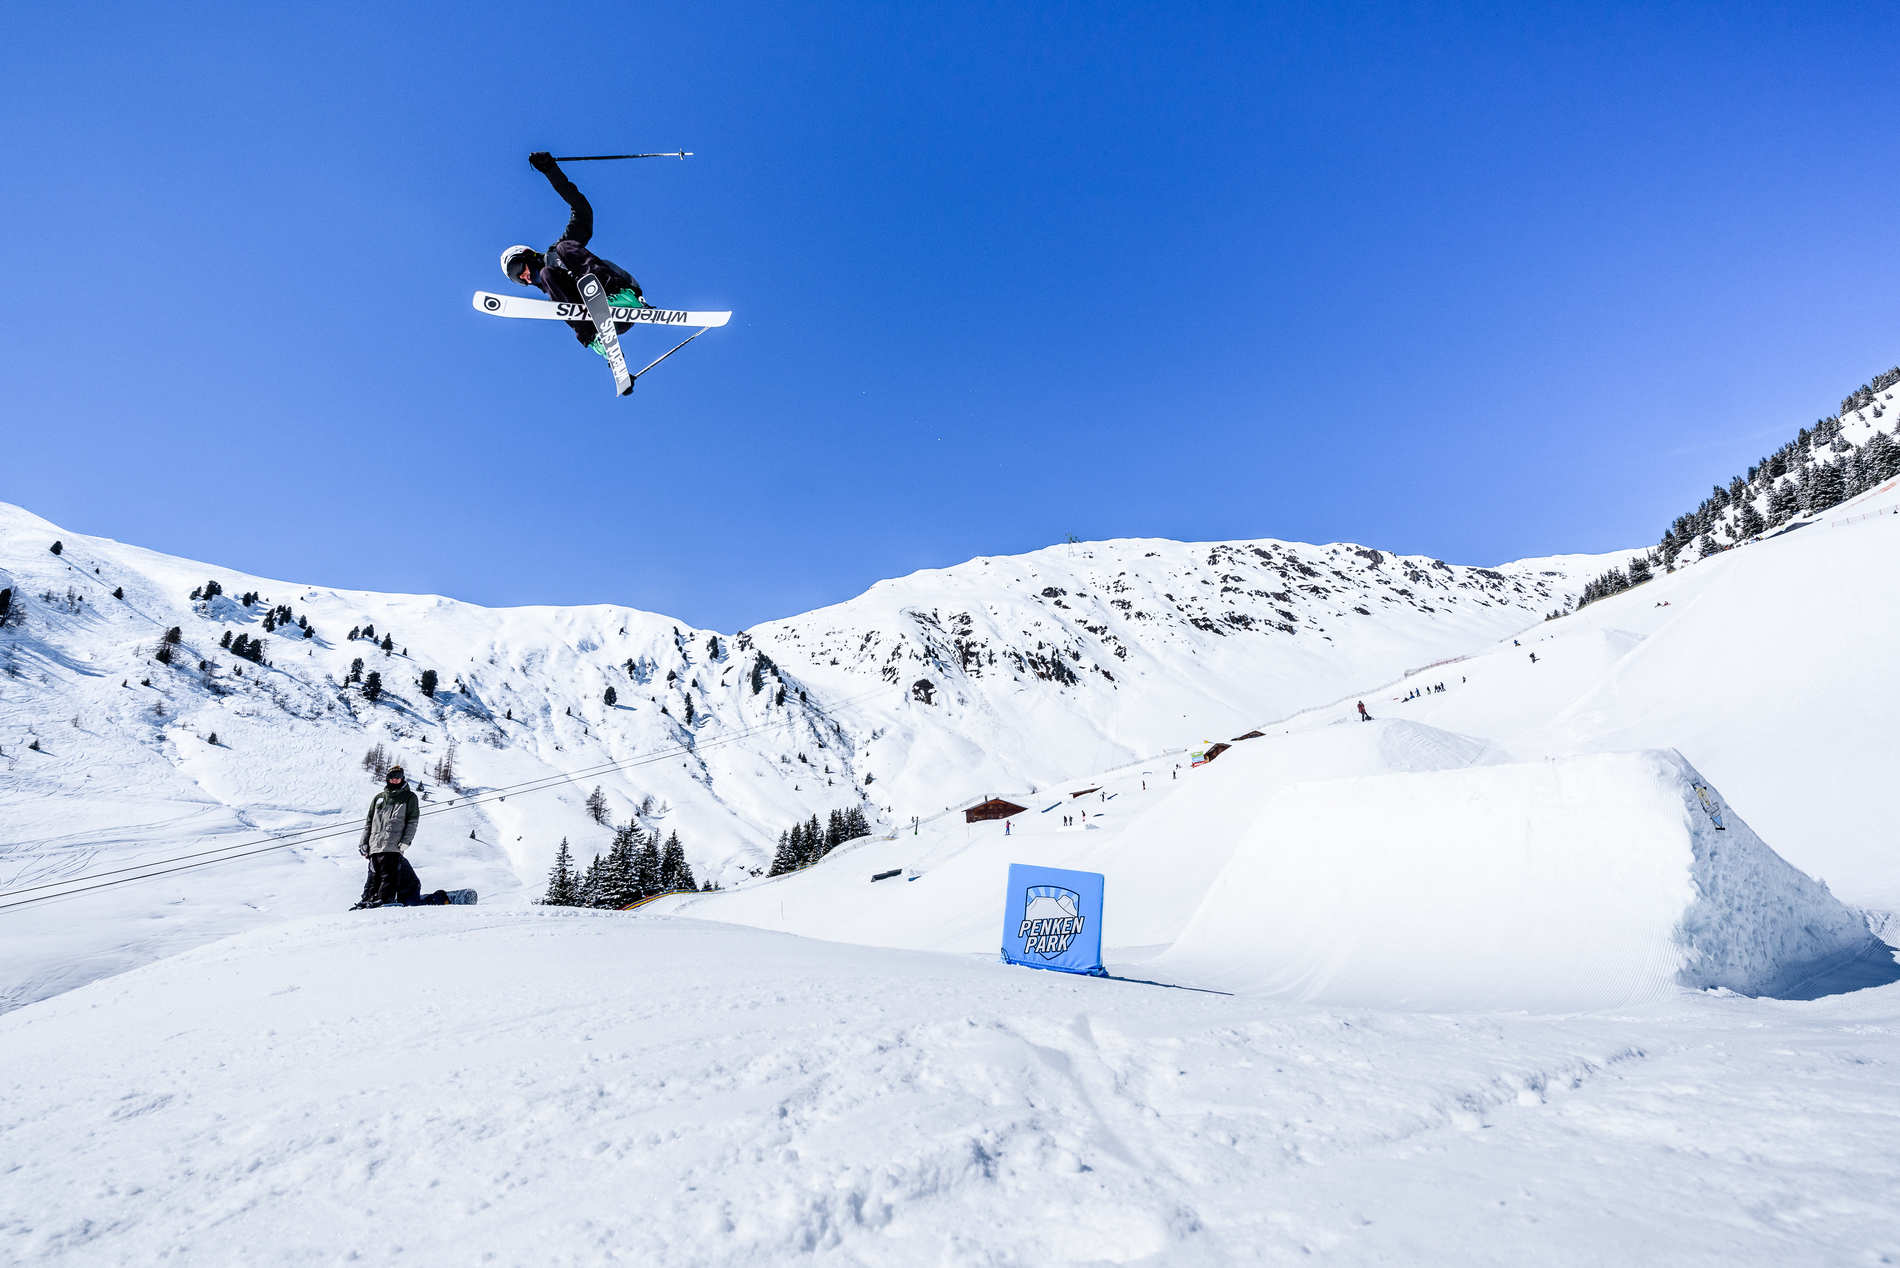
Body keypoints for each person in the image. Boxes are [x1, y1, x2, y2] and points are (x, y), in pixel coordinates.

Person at [500, 152, 647, 360]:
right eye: (518, 280)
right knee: (550, 278)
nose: (523, 277)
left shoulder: (555, 253)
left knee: (564, 249)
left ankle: (620, 296)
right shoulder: (554, 287)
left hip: (620, 296)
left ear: (529, 255)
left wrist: (551, 171)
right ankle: (597, 340)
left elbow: (582, 211)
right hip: (604, 321)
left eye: (518, 269)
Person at [356, 765, 421, 907]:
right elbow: (369, 823)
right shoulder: (379, 799)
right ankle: (368, 900)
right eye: (393, 776)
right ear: (388, 778)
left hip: (393, 844)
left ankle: (385, 900)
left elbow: (412, 822)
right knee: (373, 876)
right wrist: (364, 842)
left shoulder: (409, 797)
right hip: (375, 845)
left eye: (398, 776)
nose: (395, 779)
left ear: (402, 778)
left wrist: (406, 841)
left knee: (388, 875)